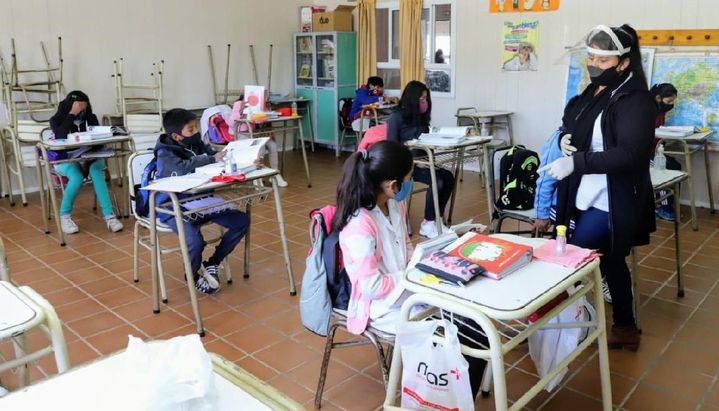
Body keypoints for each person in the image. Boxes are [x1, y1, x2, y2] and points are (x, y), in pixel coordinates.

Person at [333, 140, 487, 399]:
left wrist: (428, 259)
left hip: (408, 290)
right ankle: (445, 396)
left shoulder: (395, 205)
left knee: (474, 323)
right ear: (391, 185)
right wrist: (411, 275)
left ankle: (458, 397)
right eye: (408, 179)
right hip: (381, 307)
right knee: (458, 334)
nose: (410, 184)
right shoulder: (359, 224)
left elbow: (405, 247)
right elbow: (371, 287)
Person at [540, 24, 656, 350]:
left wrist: (576, 162)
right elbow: (573, 125)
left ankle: (551, 324)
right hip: (582, 191)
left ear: (623, 62)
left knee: (573, 256)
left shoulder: (636, 101)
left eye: (603, 60)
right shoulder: (595, 92)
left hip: (611, 198)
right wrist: (564, 140)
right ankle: (625, 327)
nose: (594, 64)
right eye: (591, 57)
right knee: (610, 259)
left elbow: (631, 154)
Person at [154, 108, 250, 294]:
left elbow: (215, 158)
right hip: (173, 207)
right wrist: (210, 158)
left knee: (241, 221)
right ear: (176, 136)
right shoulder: (165, 152)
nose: (196, 132)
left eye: (196, 127)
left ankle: (213, 262)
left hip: (202, 201)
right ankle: (192, 276)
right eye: (190, 129)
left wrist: (247, 161)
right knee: (195, 242)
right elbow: (181, 169)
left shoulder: (196, 143)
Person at [49, 90, 124, 234]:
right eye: (78, 106)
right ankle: (64, 216)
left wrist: (89, 158)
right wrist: (72, 114)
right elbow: (60, 136)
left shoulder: (91, 117)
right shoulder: (56, 119)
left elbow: (97, 139)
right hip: (66, 158)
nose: (81, 110)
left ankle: (110, 216)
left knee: (96, 171)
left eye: (84, 106)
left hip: (90, 156)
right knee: (76, 177)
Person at [386, 80, 454, 239]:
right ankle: (428, 223)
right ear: (412, 99)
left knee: (449, 177)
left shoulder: (421, 118)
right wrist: (410, 165)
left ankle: (436, 219)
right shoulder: (396, 117)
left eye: (426, 99)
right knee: (438, 181)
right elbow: (391, 148)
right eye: (421, 99)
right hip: (405, 167)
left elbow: (426, 142)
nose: (425, 102)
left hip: (423, 162)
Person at [650, 83, 681, 221]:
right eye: (669, 101)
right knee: (665, 168)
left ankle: (669, 204)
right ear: (658, 98)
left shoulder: (660, 111)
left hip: (655, 151)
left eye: (672, 101)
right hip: (643, 154)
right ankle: (662, 207)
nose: (671, 105)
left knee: (676, 166)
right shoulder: (647, 111)